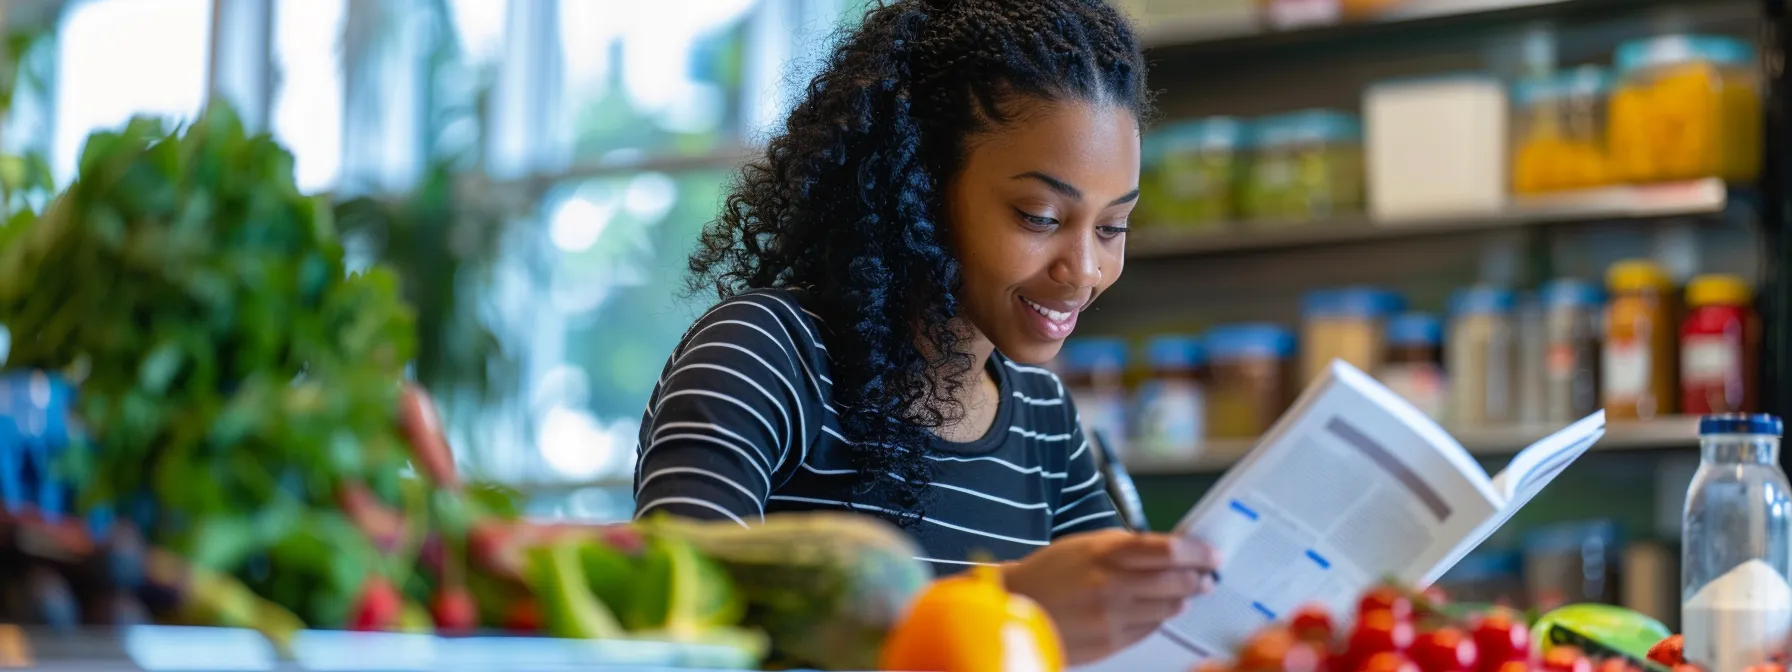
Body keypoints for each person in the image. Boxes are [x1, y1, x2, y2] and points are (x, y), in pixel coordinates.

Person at [632, 0, 1220, 662]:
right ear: (918, 186)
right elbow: (669, 635)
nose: (1084, 269)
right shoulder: (764, 356)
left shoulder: (1046, 421)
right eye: (1040, 217)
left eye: (1112, 227)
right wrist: (1000, 607)